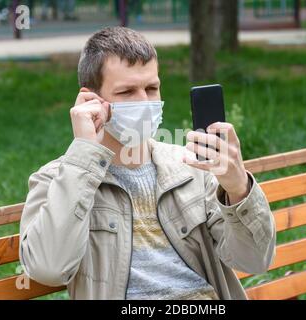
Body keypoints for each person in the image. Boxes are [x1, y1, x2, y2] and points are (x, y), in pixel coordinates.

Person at [18, 26, 276, 300]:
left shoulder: (191, 168)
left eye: (151, 88)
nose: (144, 102)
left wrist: (238, 189)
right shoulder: (58, 179)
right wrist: (83, 155)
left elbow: (254, 261)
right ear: (90, 101)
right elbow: (48, 269)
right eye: (127, 91)